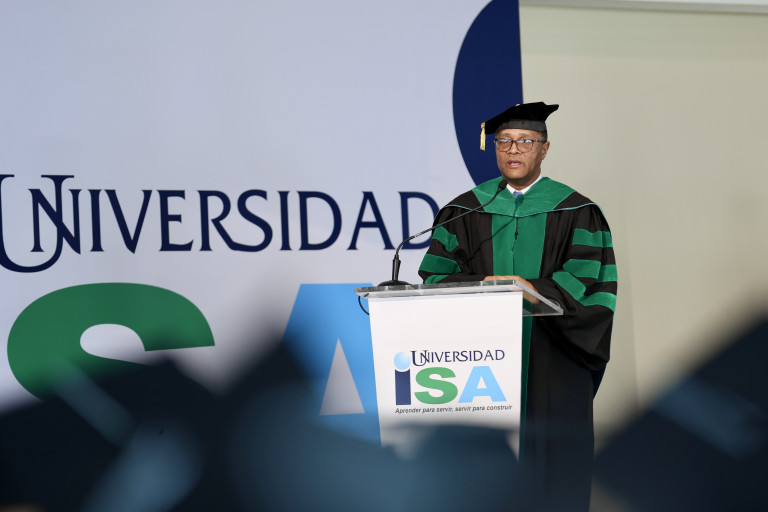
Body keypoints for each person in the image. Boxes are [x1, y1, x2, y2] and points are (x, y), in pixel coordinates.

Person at [418, 102, 617, 510]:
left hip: (552, 359)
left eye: (525, 141)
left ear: (544, 149)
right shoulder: (463, 211)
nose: (513, 149)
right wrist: (482, 287)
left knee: (554, 482)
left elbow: (589, 284)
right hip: (478, 367)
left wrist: (535, 290)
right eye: (504, 141)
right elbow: (436, 277)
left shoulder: (577, 211)